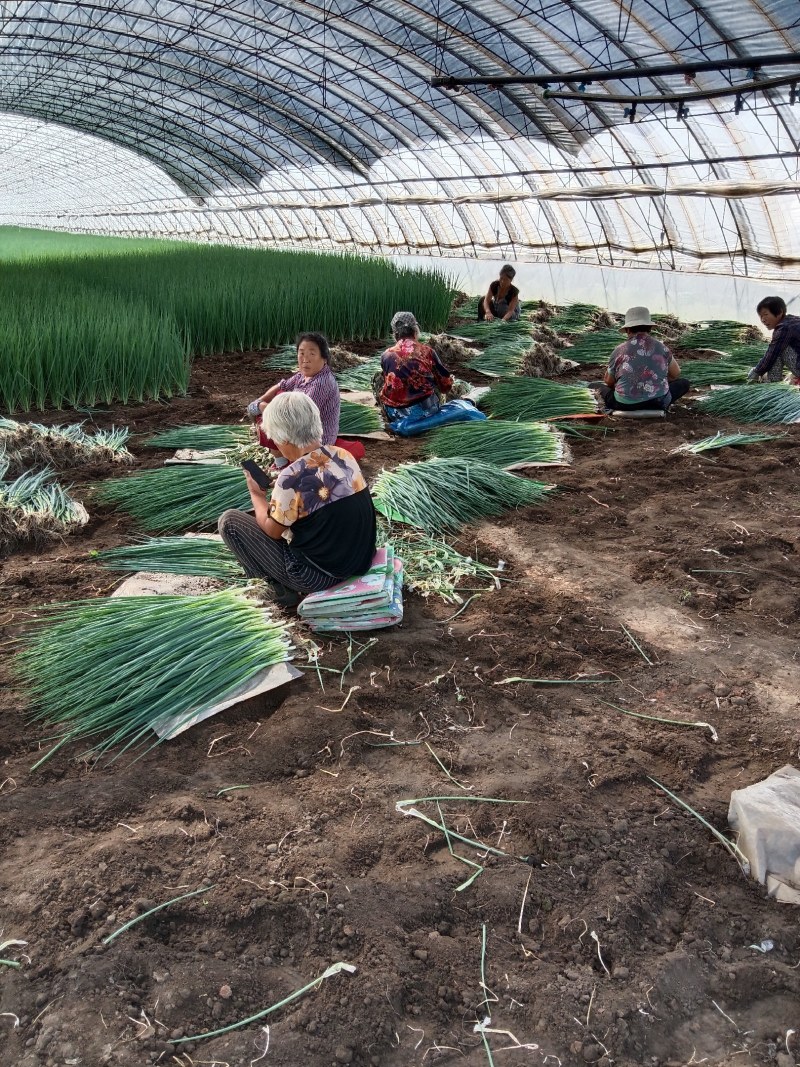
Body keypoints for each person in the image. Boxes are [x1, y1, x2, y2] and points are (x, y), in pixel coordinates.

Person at [219, 392, 376, 609]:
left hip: (316, 577)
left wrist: (256, 495)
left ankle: (276, 588)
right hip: (359, 561)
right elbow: (324, 494)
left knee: (230, 521)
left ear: (283, 438)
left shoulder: (291, 478)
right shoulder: (342, 455)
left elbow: (272, 530)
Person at [247, 333, 340, 466]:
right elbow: (281, 385)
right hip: (300, 428)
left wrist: (262, 407)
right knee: (279, 395)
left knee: (269, 421)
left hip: (315, 439)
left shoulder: (321, 383)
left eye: (312, 354)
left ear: (324, 358)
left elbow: (299, 416)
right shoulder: (303, 375)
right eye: (301, 353)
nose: (305, 359)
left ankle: (285, 463)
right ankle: (282, 459)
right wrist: (259, 401)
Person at [600, 306, 689, 411]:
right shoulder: (662, 347)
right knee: (684, 383)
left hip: (625, 405)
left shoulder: (619, 350)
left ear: (628, 330)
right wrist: (657, 381)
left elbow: (609, 382)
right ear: (650, 328)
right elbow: (675, 373)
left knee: (599, 387)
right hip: (658, 403)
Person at [378, 311, 454, 421]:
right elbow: (445, 386)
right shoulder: (427, 352)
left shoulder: (386, 355)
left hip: (395, 414)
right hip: (426, 413)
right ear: (415, 331)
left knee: (380, 380)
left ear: (395, 334)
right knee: (436, 384)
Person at [748, 297, 800, 383]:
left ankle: (773, 383)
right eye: (760, 316)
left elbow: (772, 353)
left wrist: (757, 371)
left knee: (777, 352)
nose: (763, 320)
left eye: (765, 314)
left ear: (779, 312)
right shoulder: (793, 320)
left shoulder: (784, 328)